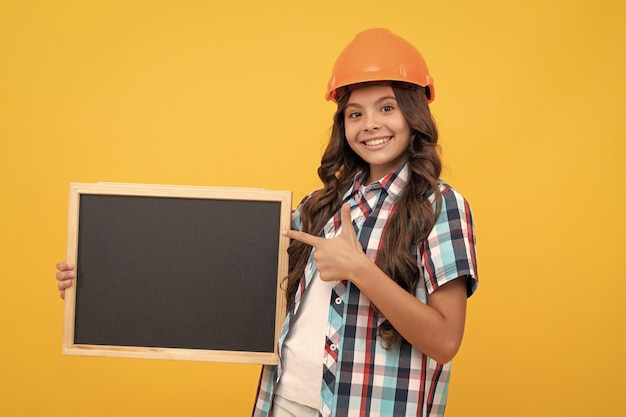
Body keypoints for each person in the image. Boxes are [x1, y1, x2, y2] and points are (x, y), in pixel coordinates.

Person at [56, 28, 478, 417]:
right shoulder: (320, 206)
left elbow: (445, 341)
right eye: (355, 113)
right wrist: (103, 283)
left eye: (386, 108)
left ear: (414, 114)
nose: (370, 125)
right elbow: (225, 278)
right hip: (285, 400)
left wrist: (359, 269)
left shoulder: (438, 205)